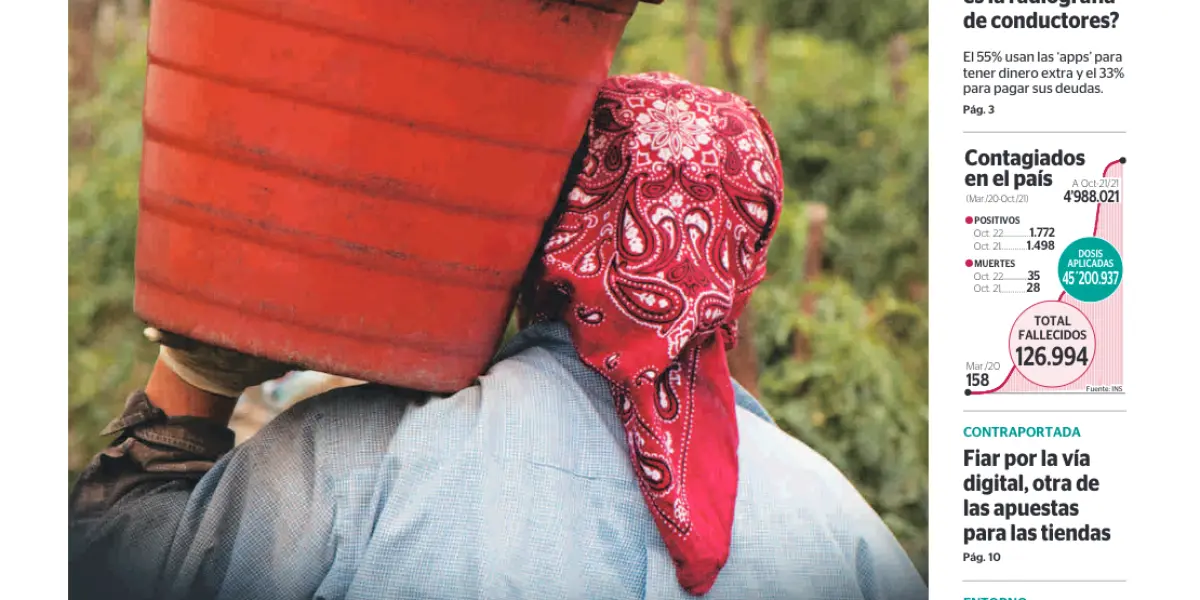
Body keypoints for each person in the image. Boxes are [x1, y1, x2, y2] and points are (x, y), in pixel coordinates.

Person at [69, 72, 928, 600]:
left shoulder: (357, 467)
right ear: (743, 263)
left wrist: (198, 375)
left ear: (547, 224)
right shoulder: (842, 534)